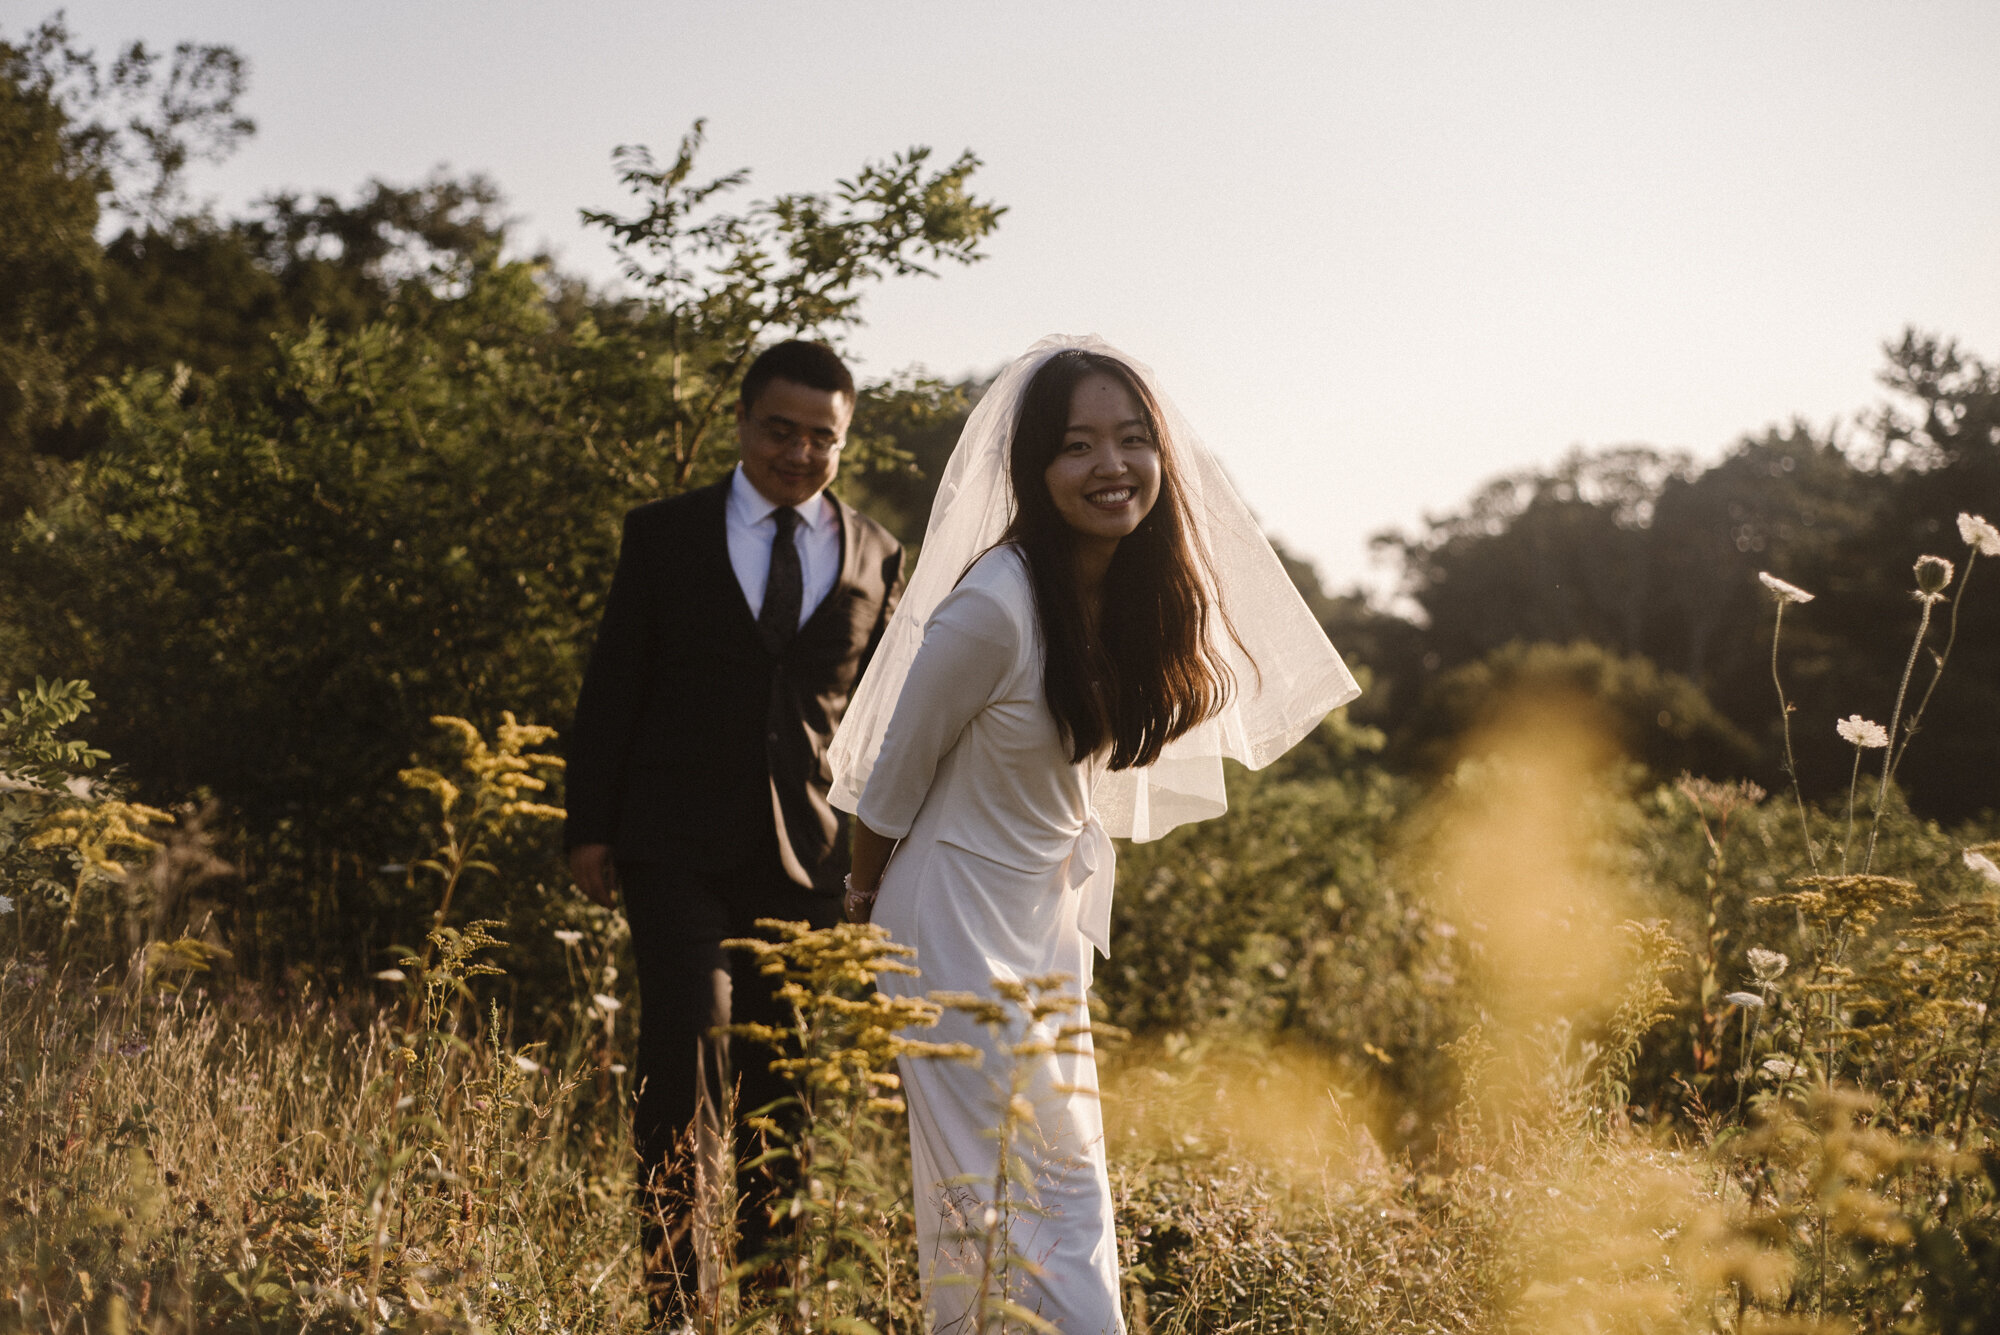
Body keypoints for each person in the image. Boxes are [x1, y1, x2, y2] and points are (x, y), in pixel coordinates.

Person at [829, 336, 1358, 1333]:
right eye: (1076, 447)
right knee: (995, 1208)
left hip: (1044, 920)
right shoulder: (989, 607)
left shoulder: (1135, 595)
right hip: (943, 923)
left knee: (1066, 1196)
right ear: (1035, 470)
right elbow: (885, 790)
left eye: (1129, 440)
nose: (1109, 467)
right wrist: (862, 912)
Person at [563, 339, 906, 1319]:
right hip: (669, 842)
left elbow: (881, 722)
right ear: (744, 422)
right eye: (779, 430)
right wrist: (589, 825)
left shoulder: (878, 553)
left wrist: (880, 861)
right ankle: (675, 1300)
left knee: (781, 1083)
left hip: (810, 862)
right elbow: (614, 681)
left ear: (844, 439)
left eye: (821, 438)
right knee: (688, 1044)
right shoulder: (665, 533)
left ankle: (769, 1300)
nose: (797, 453)